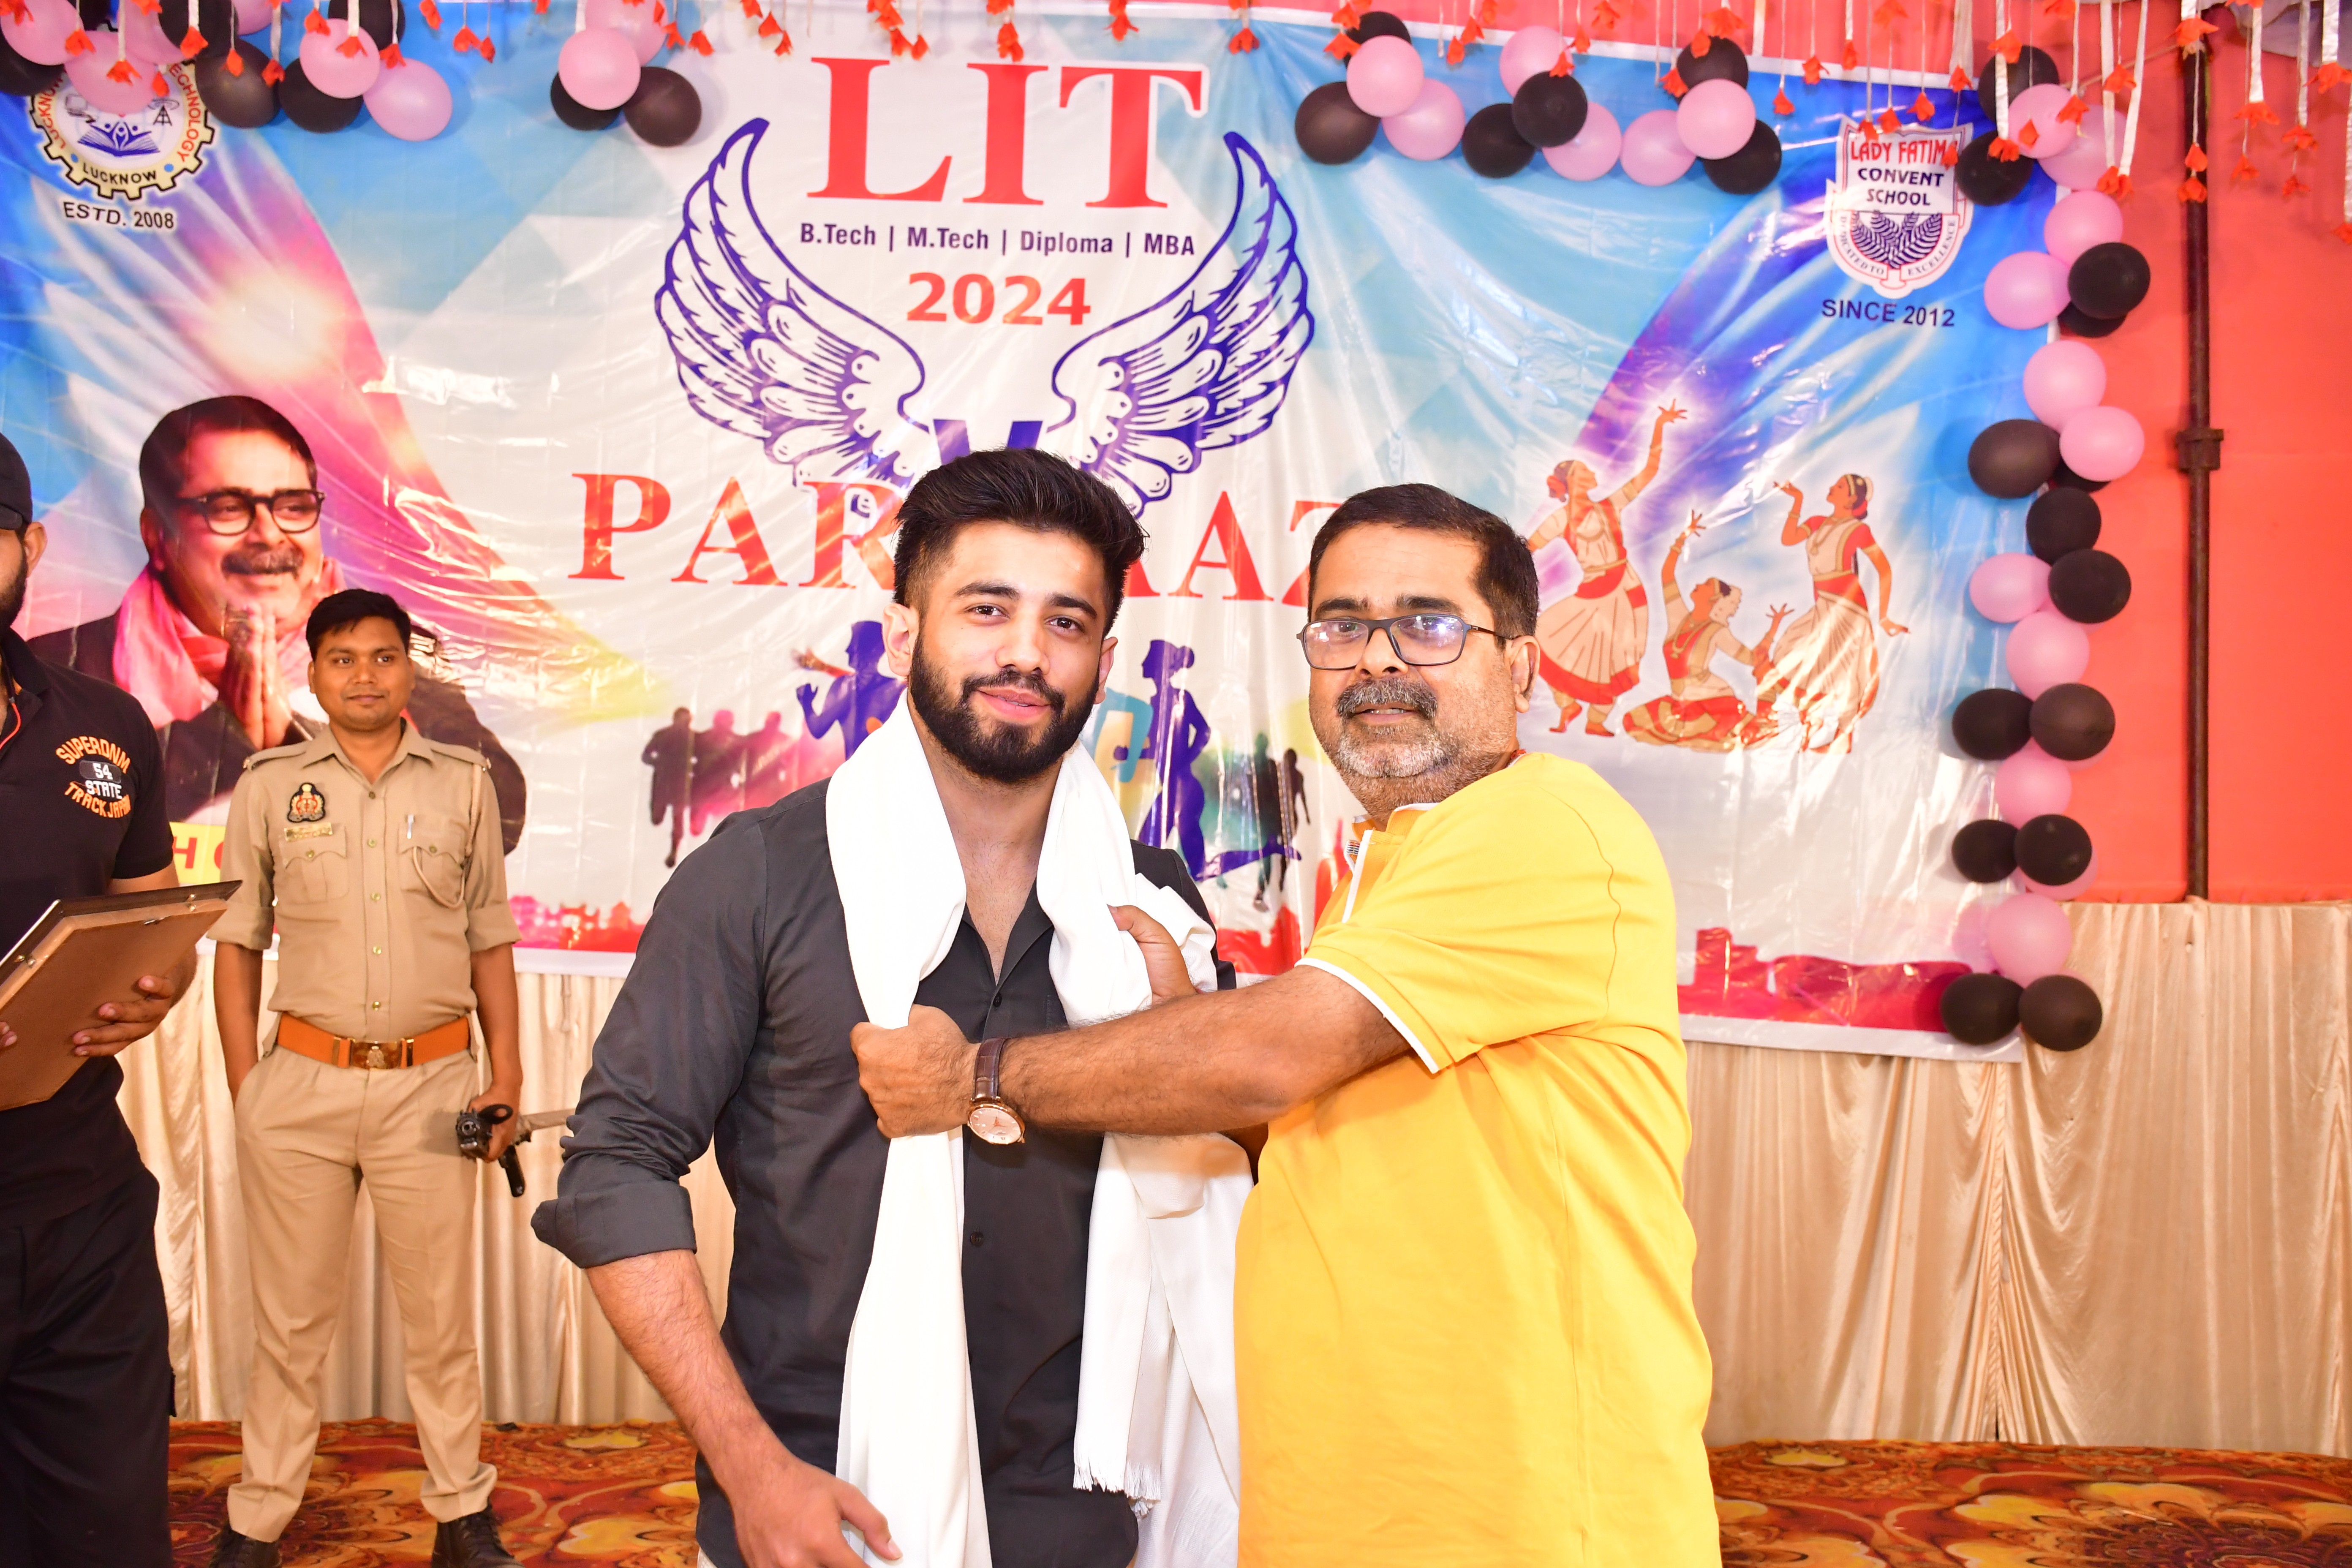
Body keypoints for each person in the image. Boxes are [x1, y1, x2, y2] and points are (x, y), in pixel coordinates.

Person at [852, 483, 1718, 1568]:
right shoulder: (1384, 867)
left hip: (1522, 1517)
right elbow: (1331, 1138)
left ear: (1524, 667)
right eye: (1343, 625)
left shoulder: (1541, 825)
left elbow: (1270, 1060)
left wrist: (972, 1078)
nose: (1379, 660)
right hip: (1354, 1511)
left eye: (1430, 623)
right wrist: (1186, 1042)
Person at [533, 448, 1240, 1568]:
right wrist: (749, 1466)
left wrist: (1187, 1053)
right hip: (819, 1491)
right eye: (986, 608)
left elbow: (1242, 1160)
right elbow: (617, 1165)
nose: (1024, 653)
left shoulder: (1155, 908)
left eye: (1066, 623)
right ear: (907, 630)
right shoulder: (759, 875)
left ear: (1104, 663)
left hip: (1093, 1488)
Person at [206, 589, 527, 1568]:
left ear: (409, 668)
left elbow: (490, 942)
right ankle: (260, 1515)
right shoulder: (268, 783)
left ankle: (460, 1515)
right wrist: (245, 1086)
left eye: (383, 658)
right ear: (312, 671)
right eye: (342, 659)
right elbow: (236, 945)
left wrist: (504, 1074)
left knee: (440, 1322)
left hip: (432, 1089)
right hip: (298, 1085)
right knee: (290, 1323)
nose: (364, 676)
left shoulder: (464, 782)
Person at [27, 397, 527, 848]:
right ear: (158, 536)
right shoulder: (54, 666)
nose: (269, 535)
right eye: (227, 507)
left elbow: (498, 816)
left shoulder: (395, 650)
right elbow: (44, 827)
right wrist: (219, 734)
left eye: (292, 506)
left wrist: (299, 739)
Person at [0, 431, 192, 1568]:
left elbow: (147, 913)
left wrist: (150, 989)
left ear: (30, 548)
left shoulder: (103, 725)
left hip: (79, 1206)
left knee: (107, 1530)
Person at [1525, 401, 1685, 736]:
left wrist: (1660, 425)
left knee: (1617, 657)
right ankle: (1568, 707)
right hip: (1594, 588)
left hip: (1624, 587)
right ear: (1573, 481)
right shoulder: (1562, 519)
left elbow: (1648, 474)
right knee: (1543, 638)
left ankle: (1596, 721)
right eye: (1584, 471)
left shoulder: (1611, 505)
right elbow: (1528, 548)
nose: (1592, 473)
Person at [1750, 474, 1907, 753]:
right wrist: (1797, 501)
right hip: (1823, 602)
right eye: (1834, 484)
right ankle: (1794, 721)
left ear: (1851, 500)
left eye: (1839, 487)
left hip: (1847, 605)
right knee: (1792, 652)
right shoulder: (1817, 523)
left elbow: (1884, 568)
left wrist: (1884, 617)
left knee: (1845, 670)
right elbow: (1789, 539)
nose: (1831, 487)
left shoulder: (1857, 530)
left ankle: (1841, 737)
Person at [1622, 514, 1791, 752]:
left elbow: (1752, 659)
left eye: (1704, 586)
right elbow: (1667, 576)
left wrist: (1773, 630)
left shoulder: (1716, 632)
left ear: (1712, 599)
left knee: (1725, 739)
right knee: (1633, 723)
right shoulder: (1679, 617)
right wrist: (1681, 540)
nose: (1697, 586)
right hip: (1680, 701)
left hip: (1713, 700)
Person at [1249, 735, 1309, 911]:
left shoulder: (1272, 768)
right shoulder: (1271, 767)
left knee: (1273, 854)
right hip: (1269, 819)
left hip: (1271, 819)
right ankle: (1268, 890)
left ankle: (1272, 888)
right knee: (1270, 855)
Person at [644, 707, 695, 867]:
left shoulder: (692, 738)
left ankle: (674, 852)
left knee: (678, 819)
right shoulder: (663, 735)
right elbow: (646, 755)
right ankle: (673, 850)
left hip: (679, 784)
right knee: (657, 819)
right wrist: (659, 764)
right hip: (664, 783)